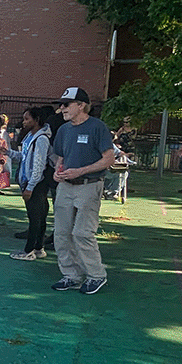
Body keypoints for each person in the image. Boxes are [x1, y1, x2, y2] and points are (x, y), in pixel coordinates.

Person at [50, 87, 117, 295]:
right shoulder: (63, 130)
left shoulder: (97, 127)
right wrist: (57, 172)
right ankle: (71, 275)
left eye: (66, 104)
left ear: (81, 105)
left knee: (82, 233)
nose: (62, 109)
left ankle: (96, 275)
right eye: (61, 105)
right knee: (61, 233)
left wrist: (81, 170)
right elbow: (60, 157)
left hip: (89, 185)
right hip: (66, 187)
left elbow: (109, 158)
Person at [11, 106, 53, 260]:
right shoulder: (30, 137)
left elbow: (39, 165)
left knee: (35, 217)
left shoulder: (41, 139)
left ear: (37, 120)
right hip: (31, 182)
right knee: (39, 216)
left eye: (27, 119)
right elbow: (24, 157)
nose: (24, 122)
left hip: (36, 183)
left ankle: (29, 250)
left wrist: (30, 187)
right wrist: (8, 153)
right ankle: (38, 248)